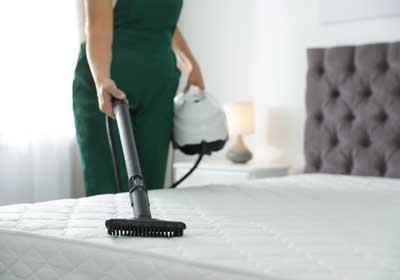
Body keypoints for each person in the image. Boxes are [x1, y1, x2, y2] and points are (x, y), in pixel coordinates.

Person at [73, 0, 204, 196]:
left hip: (158, 86)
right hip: (110, 86)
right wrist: (102, 80)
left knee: (151, 189)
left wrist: (191, 65)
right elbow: (98, 25)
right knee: (107, 186)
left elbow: (163, 23)